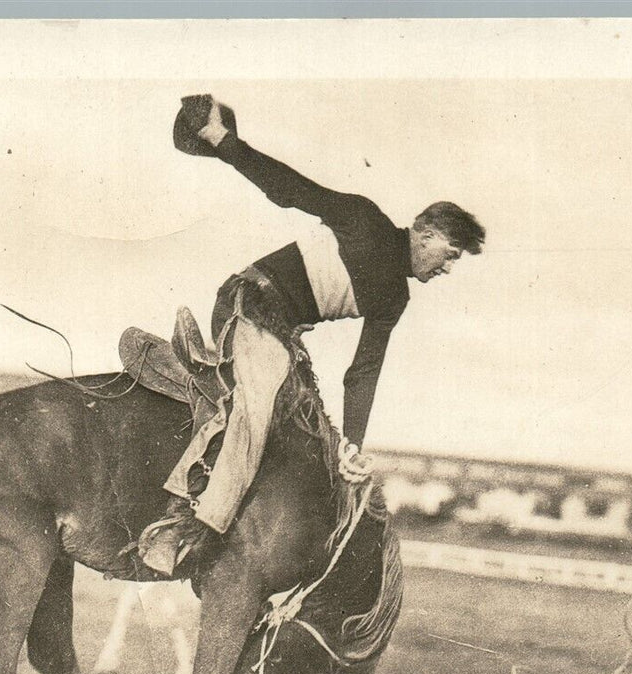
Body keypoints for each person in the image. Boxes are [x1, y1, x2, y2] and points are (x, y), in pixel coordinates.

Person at [137, 95, 485, 575]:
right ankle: (181, 525)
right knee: (259, 406)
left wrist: (352, 445)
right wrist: (221, 140)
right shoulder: (364, 219)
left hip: (283, 333)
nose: (447, 268)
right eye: (450, 255)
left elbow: (363, 371)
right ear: (426, 235)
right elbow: (287, 187)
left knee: (301, 428)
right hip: (248, 302)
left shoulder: (395, 300)